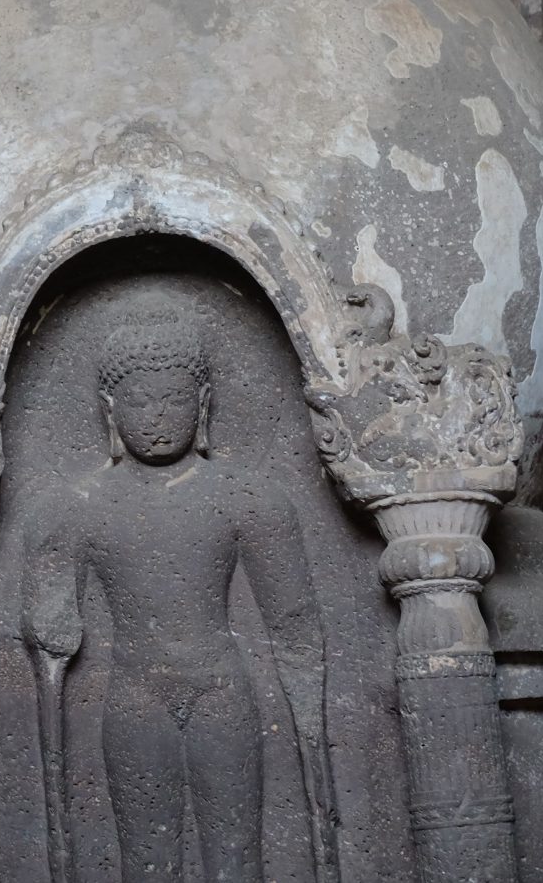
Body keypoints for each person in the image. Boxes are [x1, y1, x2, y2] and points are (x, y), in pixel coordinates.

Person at [23, 300, 338, 883]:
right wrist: (48, 629)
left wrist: (312, 725)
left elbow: (292, 622)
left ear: (203, 404)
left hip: (223, 688)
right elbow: (51, 626)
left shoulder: (249, 499)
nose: (158, 417)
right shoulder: (77, 508)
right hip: (134, 696)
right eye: (141, 402)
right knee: (146, 859)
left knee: (237, 856)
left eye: (173, 400)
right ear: (111, 410)